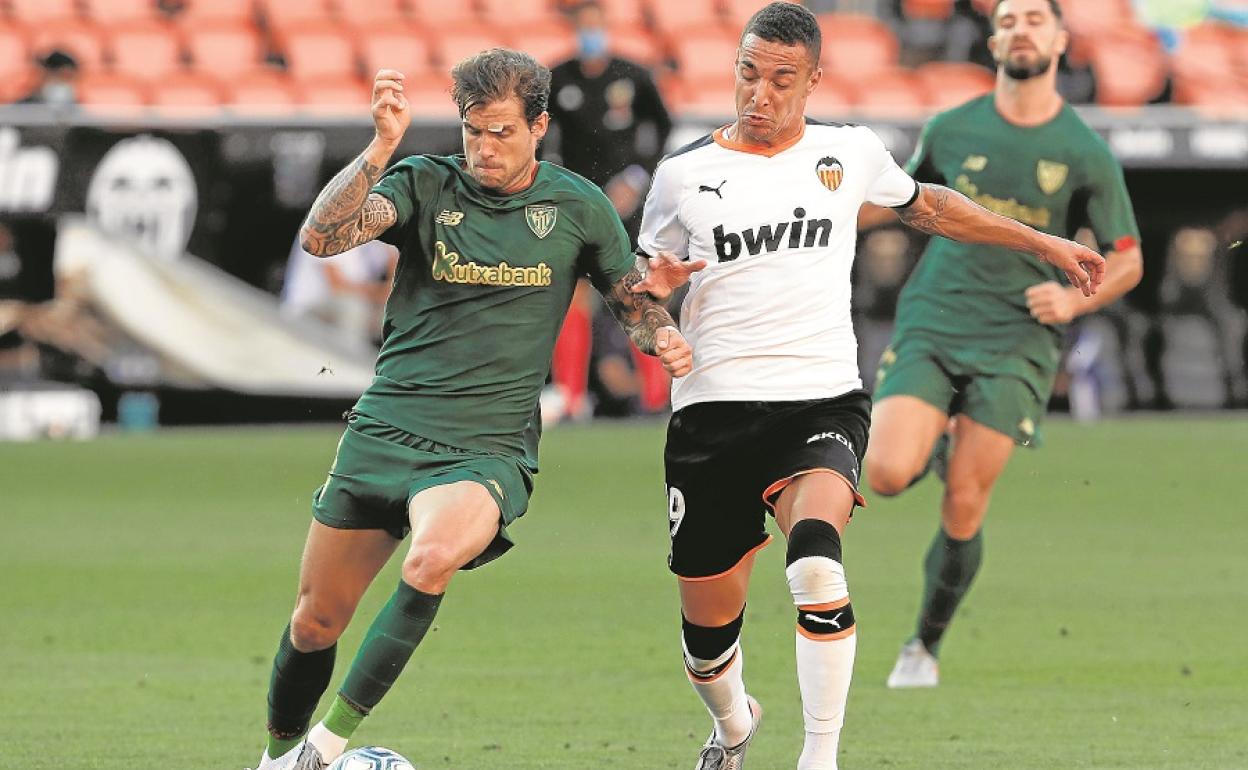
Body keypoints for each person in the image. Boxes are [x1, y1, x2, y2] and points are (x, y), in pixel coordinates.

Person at [629, 4, 1105, 768]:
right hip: (712, 416)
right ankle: (731, 727)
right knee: (707, 638)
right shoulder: (684, 175)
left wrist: (1041, 240)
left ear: (814, 80)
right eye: (749, 74)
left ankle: (821, 758)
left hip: (821, 402)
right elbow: (638, 287)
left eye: (782, 80)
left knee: (816, 562)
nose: (760, 94)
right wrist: (655, 317)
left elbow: (931, 207)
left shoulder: (848, 152)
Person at [248, 50, 692, 770]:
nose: (484, 148)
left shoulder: (579, 206)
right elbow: (322, 238)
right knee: (314, 622)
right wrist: (380, 147)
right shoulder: (424, 183)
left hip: (485, 447)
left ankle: (322, 753)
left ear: (540, 126)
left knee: (429, 561)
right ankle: (273, 759)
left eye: (502, 133)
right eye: (473, 131)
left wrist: (663, 332)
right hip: (387, 427)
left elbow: (632, 303)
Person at [857, 0, 1143, 690]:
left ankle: (923, 645)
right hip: (937, 314)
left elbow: (1129, 259)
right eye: (1008, 19)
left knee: (962, 503)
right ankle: (940, 437)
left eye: (1034, 20)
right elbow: (904, 201)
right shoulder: (953, 128)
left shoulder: (1084, 149)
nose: (1021, 29)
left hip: (1019, 336)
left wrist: (1077, 299)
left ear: (1061, 40)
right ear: (992, 39)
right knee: (888, 474)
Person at [545, 0, 675, 420]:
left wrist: (638, 176)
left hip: (624, 202)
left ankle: (656, 398)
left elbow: (663, 126)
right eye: (583, 27)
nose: (590, 35)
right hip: (578, 202)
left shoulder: (632, 75)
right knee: (573, 296)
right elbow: (542, 136)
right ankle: (570, 397)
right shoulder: (557, 78)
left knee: (636, 291)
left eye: (595, 27)